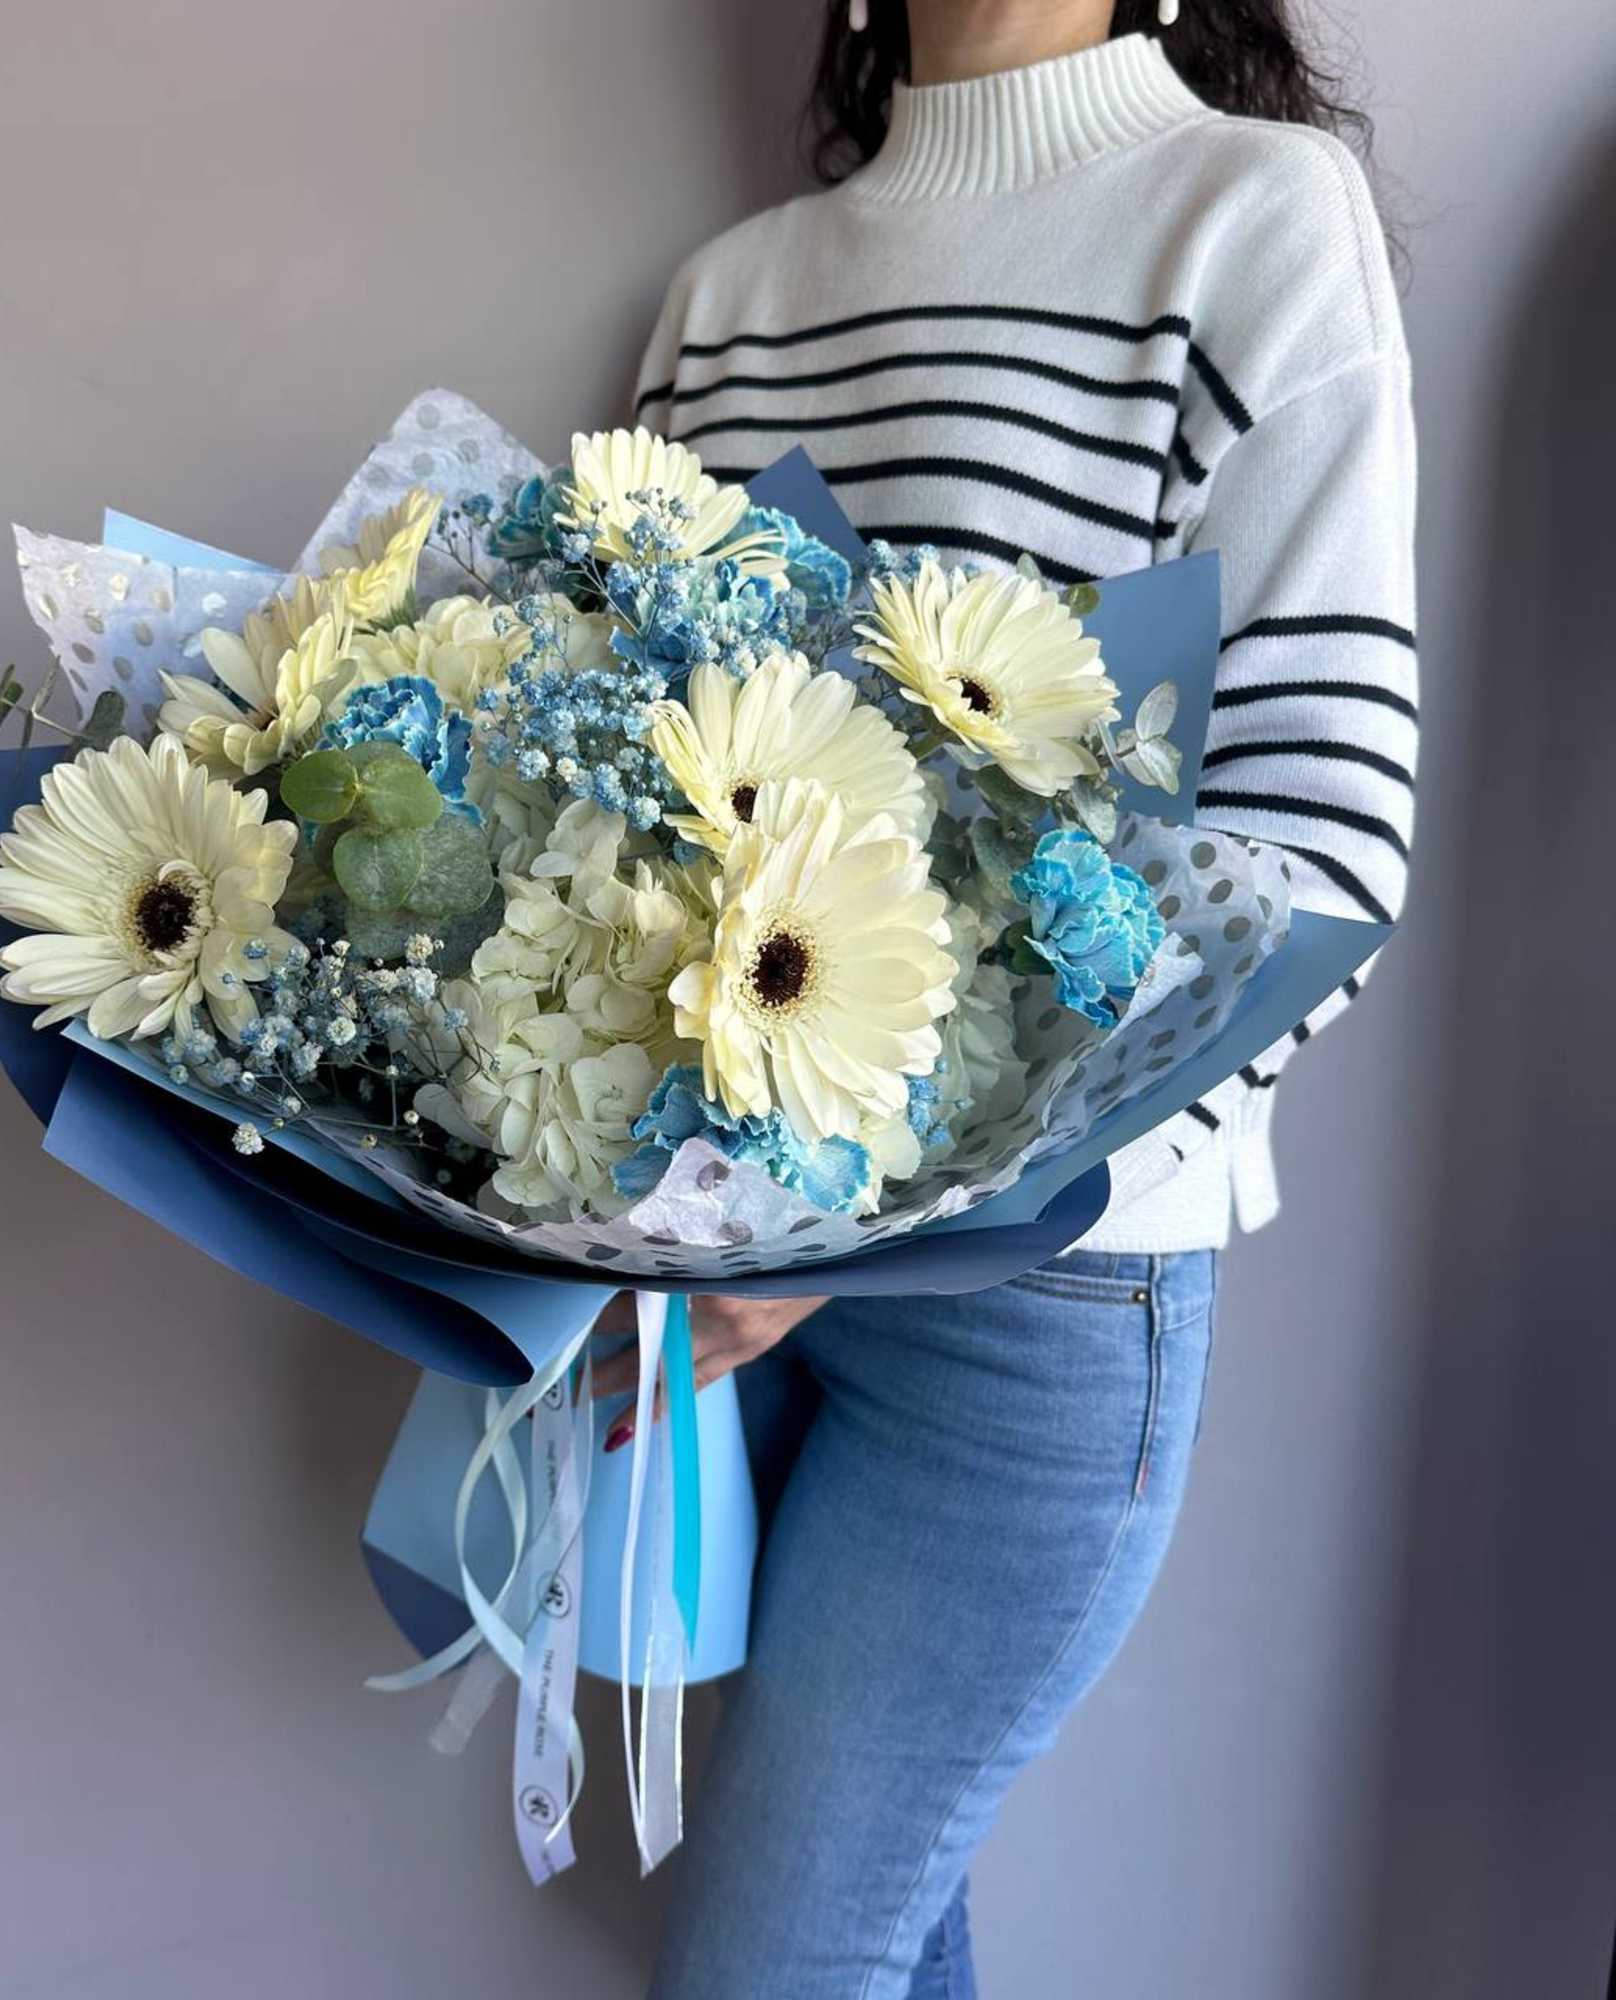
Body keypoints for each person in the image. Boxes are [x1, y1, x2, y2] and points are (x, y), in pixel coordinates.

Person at [592, 4, 1419, 1993]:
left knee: (776, 1965)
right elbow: (637, 804)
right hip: (723, 1280)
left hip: (1043, 1308)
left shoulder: (1254, 223)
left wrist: (874, 1200)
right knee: (882, 1923)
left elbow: (1316, 850)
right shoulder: (732, 299)